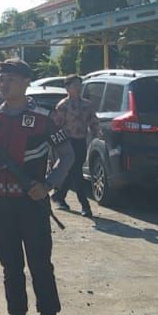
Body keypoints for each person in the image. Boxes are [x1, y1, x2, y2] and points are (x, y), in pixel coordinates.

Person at [0, 59, 74, 315]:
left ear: (26, 83)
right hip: (0, 204)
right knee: (11, 269)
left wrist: (49, 185)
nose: (4, 85)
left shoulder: (43, 118)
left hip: (31, 204)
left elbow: (66, 155)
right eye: (2, 79)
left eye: (11, 79)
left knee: (40, 267)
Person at [51, 75, 99, 216]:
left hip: (81, 141)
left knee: (72, 170)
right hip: (67, 142)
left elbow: (93, 121)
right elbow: (56, 126)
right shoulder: (62, 106)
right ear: (67, 88)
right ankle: (85, 205)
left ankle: (59, 195)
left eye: (79, 85)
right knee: (77, 172)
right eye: (74, 85)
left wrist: (96, 134)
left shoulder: (87, 105)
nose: (78, 88)